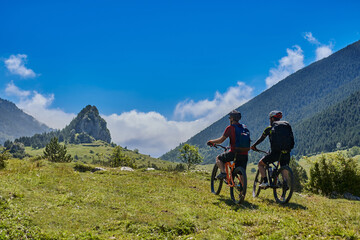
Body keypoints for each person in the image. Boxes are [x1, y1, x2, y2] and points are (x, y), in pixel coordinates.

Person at [251, 110, 294, 188]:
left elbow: (261, 138)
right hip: (286, 152)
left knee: (260, 164)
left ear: (272, 119)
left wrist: (254, 146)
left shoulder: (269, 128)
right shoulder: (285, 126)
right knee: (284, 167)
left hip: (275, 153)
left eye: (270, 118)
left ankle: (265, 182)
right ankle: (285, 184)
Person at [207, 110, 250, 179]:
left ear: (232, 118)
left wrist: (211, 141)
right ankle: (242, 188)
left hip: (234, 152)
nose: (229, 119)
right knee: (241, 173)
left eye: (230, 118)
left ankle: (223, 172)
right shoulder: (244, 127)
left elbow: (220, 140)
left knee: (219, 158)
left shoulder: (230, 128)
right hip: (245, 153)